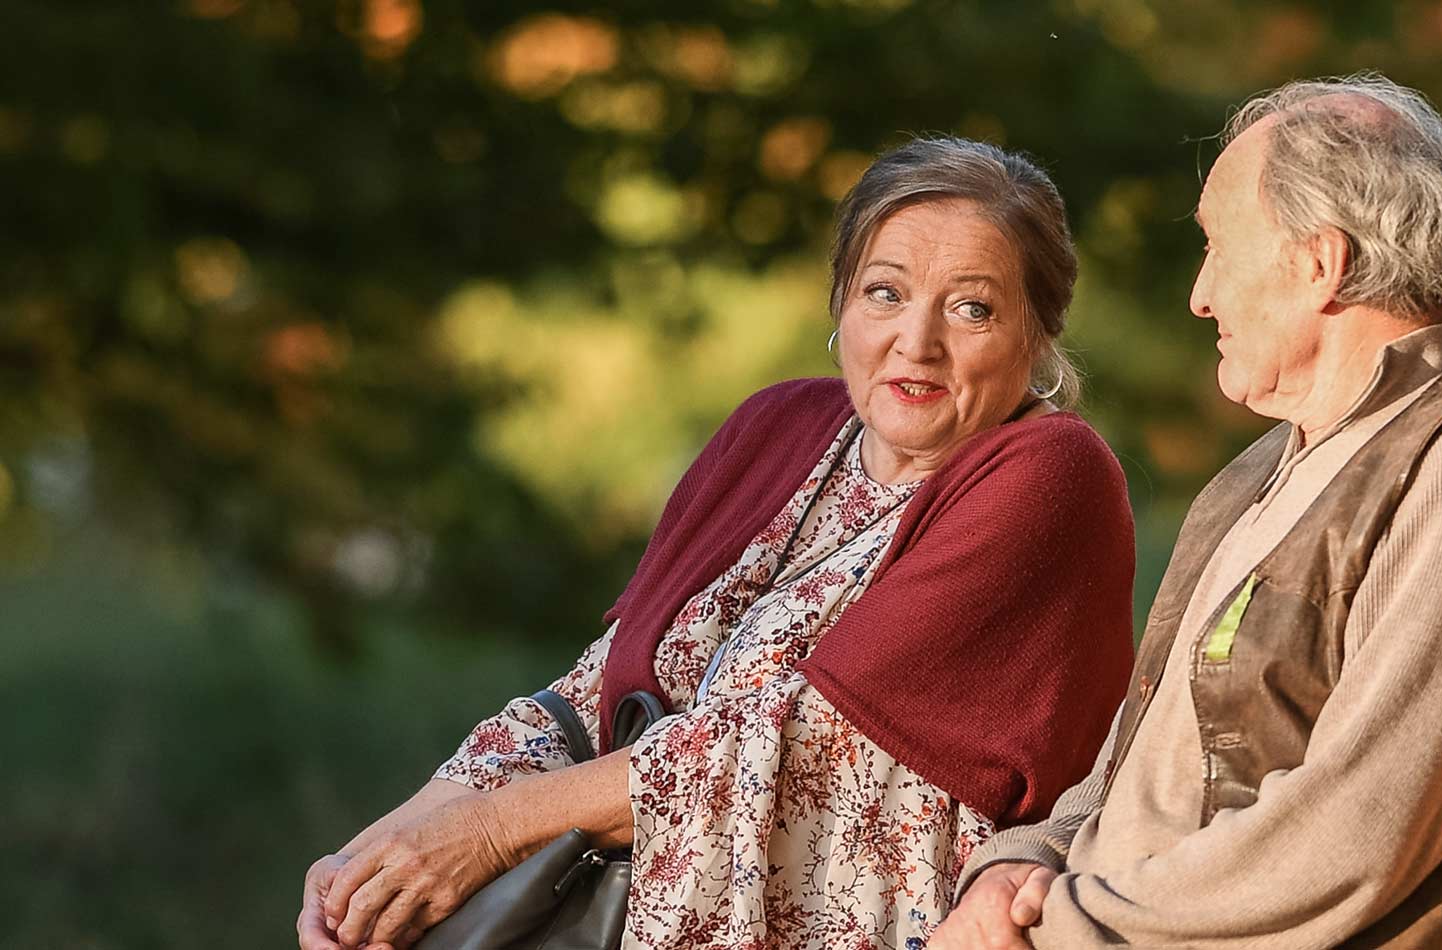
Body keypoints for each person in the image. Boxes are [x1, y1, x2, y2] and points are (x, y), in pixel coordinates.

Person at [295, 137, 1138, 950]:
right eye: (885, 292)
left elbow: (783, 745)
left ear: (1037, 336)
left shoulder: (1052, 474)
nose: (915, 342)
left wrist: (487, 833)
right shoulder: (779, 427)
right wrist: (374, 857)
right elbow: (596, 700)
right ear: (842, 303)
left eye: (972, 308)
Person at [934, 74, 1442, 948]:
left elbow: (1356, 830)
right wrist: (1034, 857)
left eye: (1218, 245)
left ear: (1321, 264)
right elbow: (1150, 756)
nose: (1201, 294)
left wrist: (1069, 928)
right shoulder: (1273, 465)